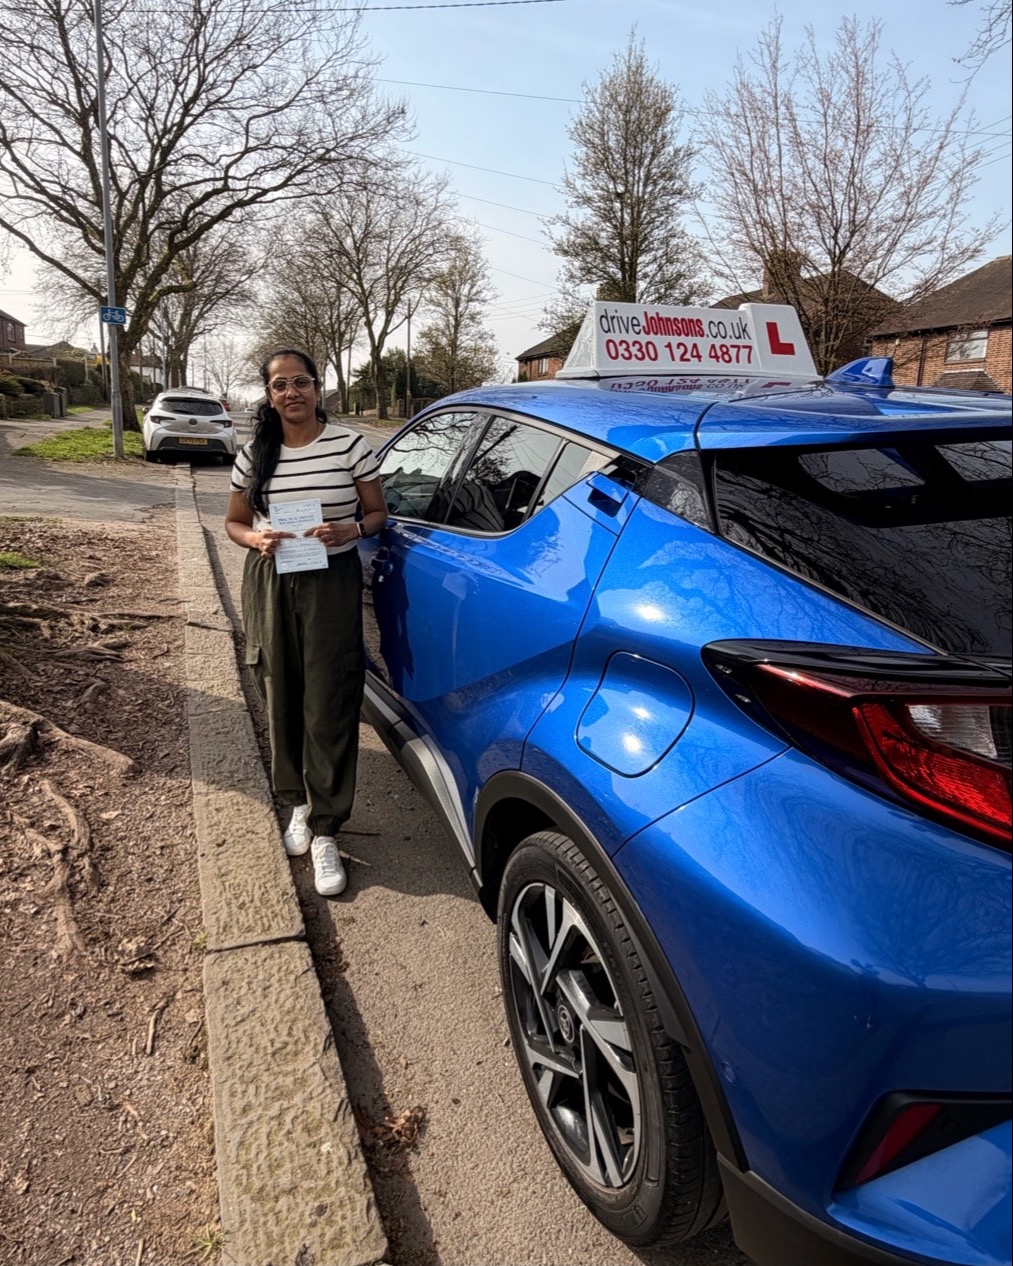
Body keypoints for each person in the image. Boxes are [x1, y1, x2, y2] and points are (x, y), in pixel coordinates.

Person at [225, 350, 387, 896]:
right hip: (271, 578)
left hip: (330, 581)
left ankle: (325, 827)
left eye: (300, 382)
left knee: (330, 697)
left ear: (318, 388)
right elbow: (234, 522)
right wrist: (256, 538)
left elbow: (377, 513)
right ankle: (296, 802)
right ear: (268, 395)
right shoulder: (255, 453)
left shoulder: (349, 446)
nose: (290, 392)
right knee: (280, 693)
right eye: (279, 385)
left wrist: (353, 531)